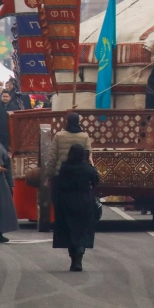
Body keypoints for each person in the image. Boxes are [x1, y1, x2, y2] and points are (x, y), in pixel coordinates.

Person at [52, 144, 100, 272]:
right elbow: (95, 180)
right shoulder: (86, 168)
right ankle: (79, 257)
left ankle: (73, 258)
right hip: (84, 200)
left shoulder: (64, 167)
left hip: (67, 201)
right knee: (82, 229)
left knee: (70, 229)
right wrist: (91, 164)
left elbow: (59, 183)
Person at [44, 112, 91, 228]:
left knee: (61, 203)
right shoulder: (84, 137)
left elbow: (52, 157)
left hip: (60, 174)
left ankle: (62, 227)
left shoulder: (59, 136)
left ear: (67, 121)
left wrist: (49, 175)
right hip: (80, 175)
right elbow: (88, 156)